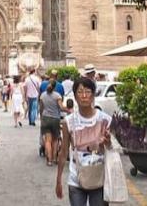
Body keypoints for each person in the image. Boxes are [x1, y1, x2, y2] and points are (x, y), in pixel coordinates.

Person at [55, 76, 112, 206]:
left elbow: (111, 149)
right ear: (75, 97)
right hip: (76, 179)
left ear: (93, 96)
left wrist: (108, 142)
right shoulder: (68, 121)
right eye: (80, 92)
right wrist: (58, 180)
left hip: (99, 177)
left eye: (87, 92)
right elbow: (63, 152)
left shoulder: (105, 120)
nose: (84, 96)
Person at [40, 79, 65, 167]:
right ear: (55, 86)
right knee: (55, 140)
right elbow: (61, 107)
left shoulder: (43, 95)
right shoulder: (57, 96)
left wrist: (41, 117)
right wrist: (68, 109)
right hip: (55, 119)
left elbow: (41, 108)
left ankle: (49, 160)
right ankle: (54, 158)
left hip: (45, 118)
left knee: (47, 141)